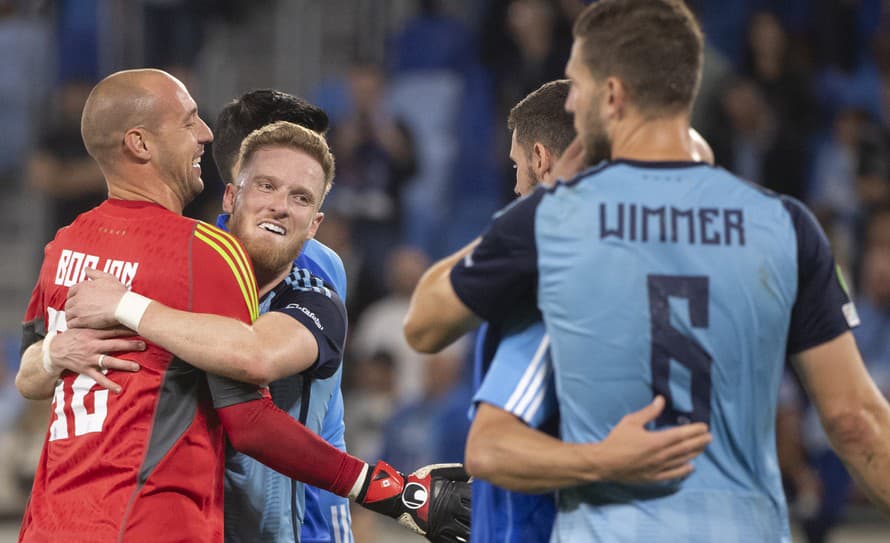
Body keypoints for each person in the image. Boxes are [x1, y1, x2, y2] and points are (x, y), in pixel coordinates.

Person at [403, 1, 890, 541]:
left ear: (611, 96)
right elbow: (855, 423)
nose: (573, 101)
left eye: (577, 85)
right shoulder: (785, 225)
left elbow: (424, 323)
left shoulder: (556, 220)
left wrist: (541, 204)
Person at [14, 69, 468, 543]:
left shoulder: (67, 247)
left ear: (316, 222)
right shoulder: (197, 254)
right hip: (157, 520)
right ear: (231, 193)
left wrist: (126, 305)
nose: (280, 207)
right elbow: (31, 372)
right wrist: (52, 353)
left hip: (283, 526)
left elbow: (258, 354)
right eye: (267, 185)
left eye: (300, 196)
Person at [211, 88, 354, 543]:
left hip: (305, 501)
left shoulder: (314, 266)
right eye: (272, 178)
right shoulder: (193, 257)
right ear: (239, 179)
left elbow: (261, 363)